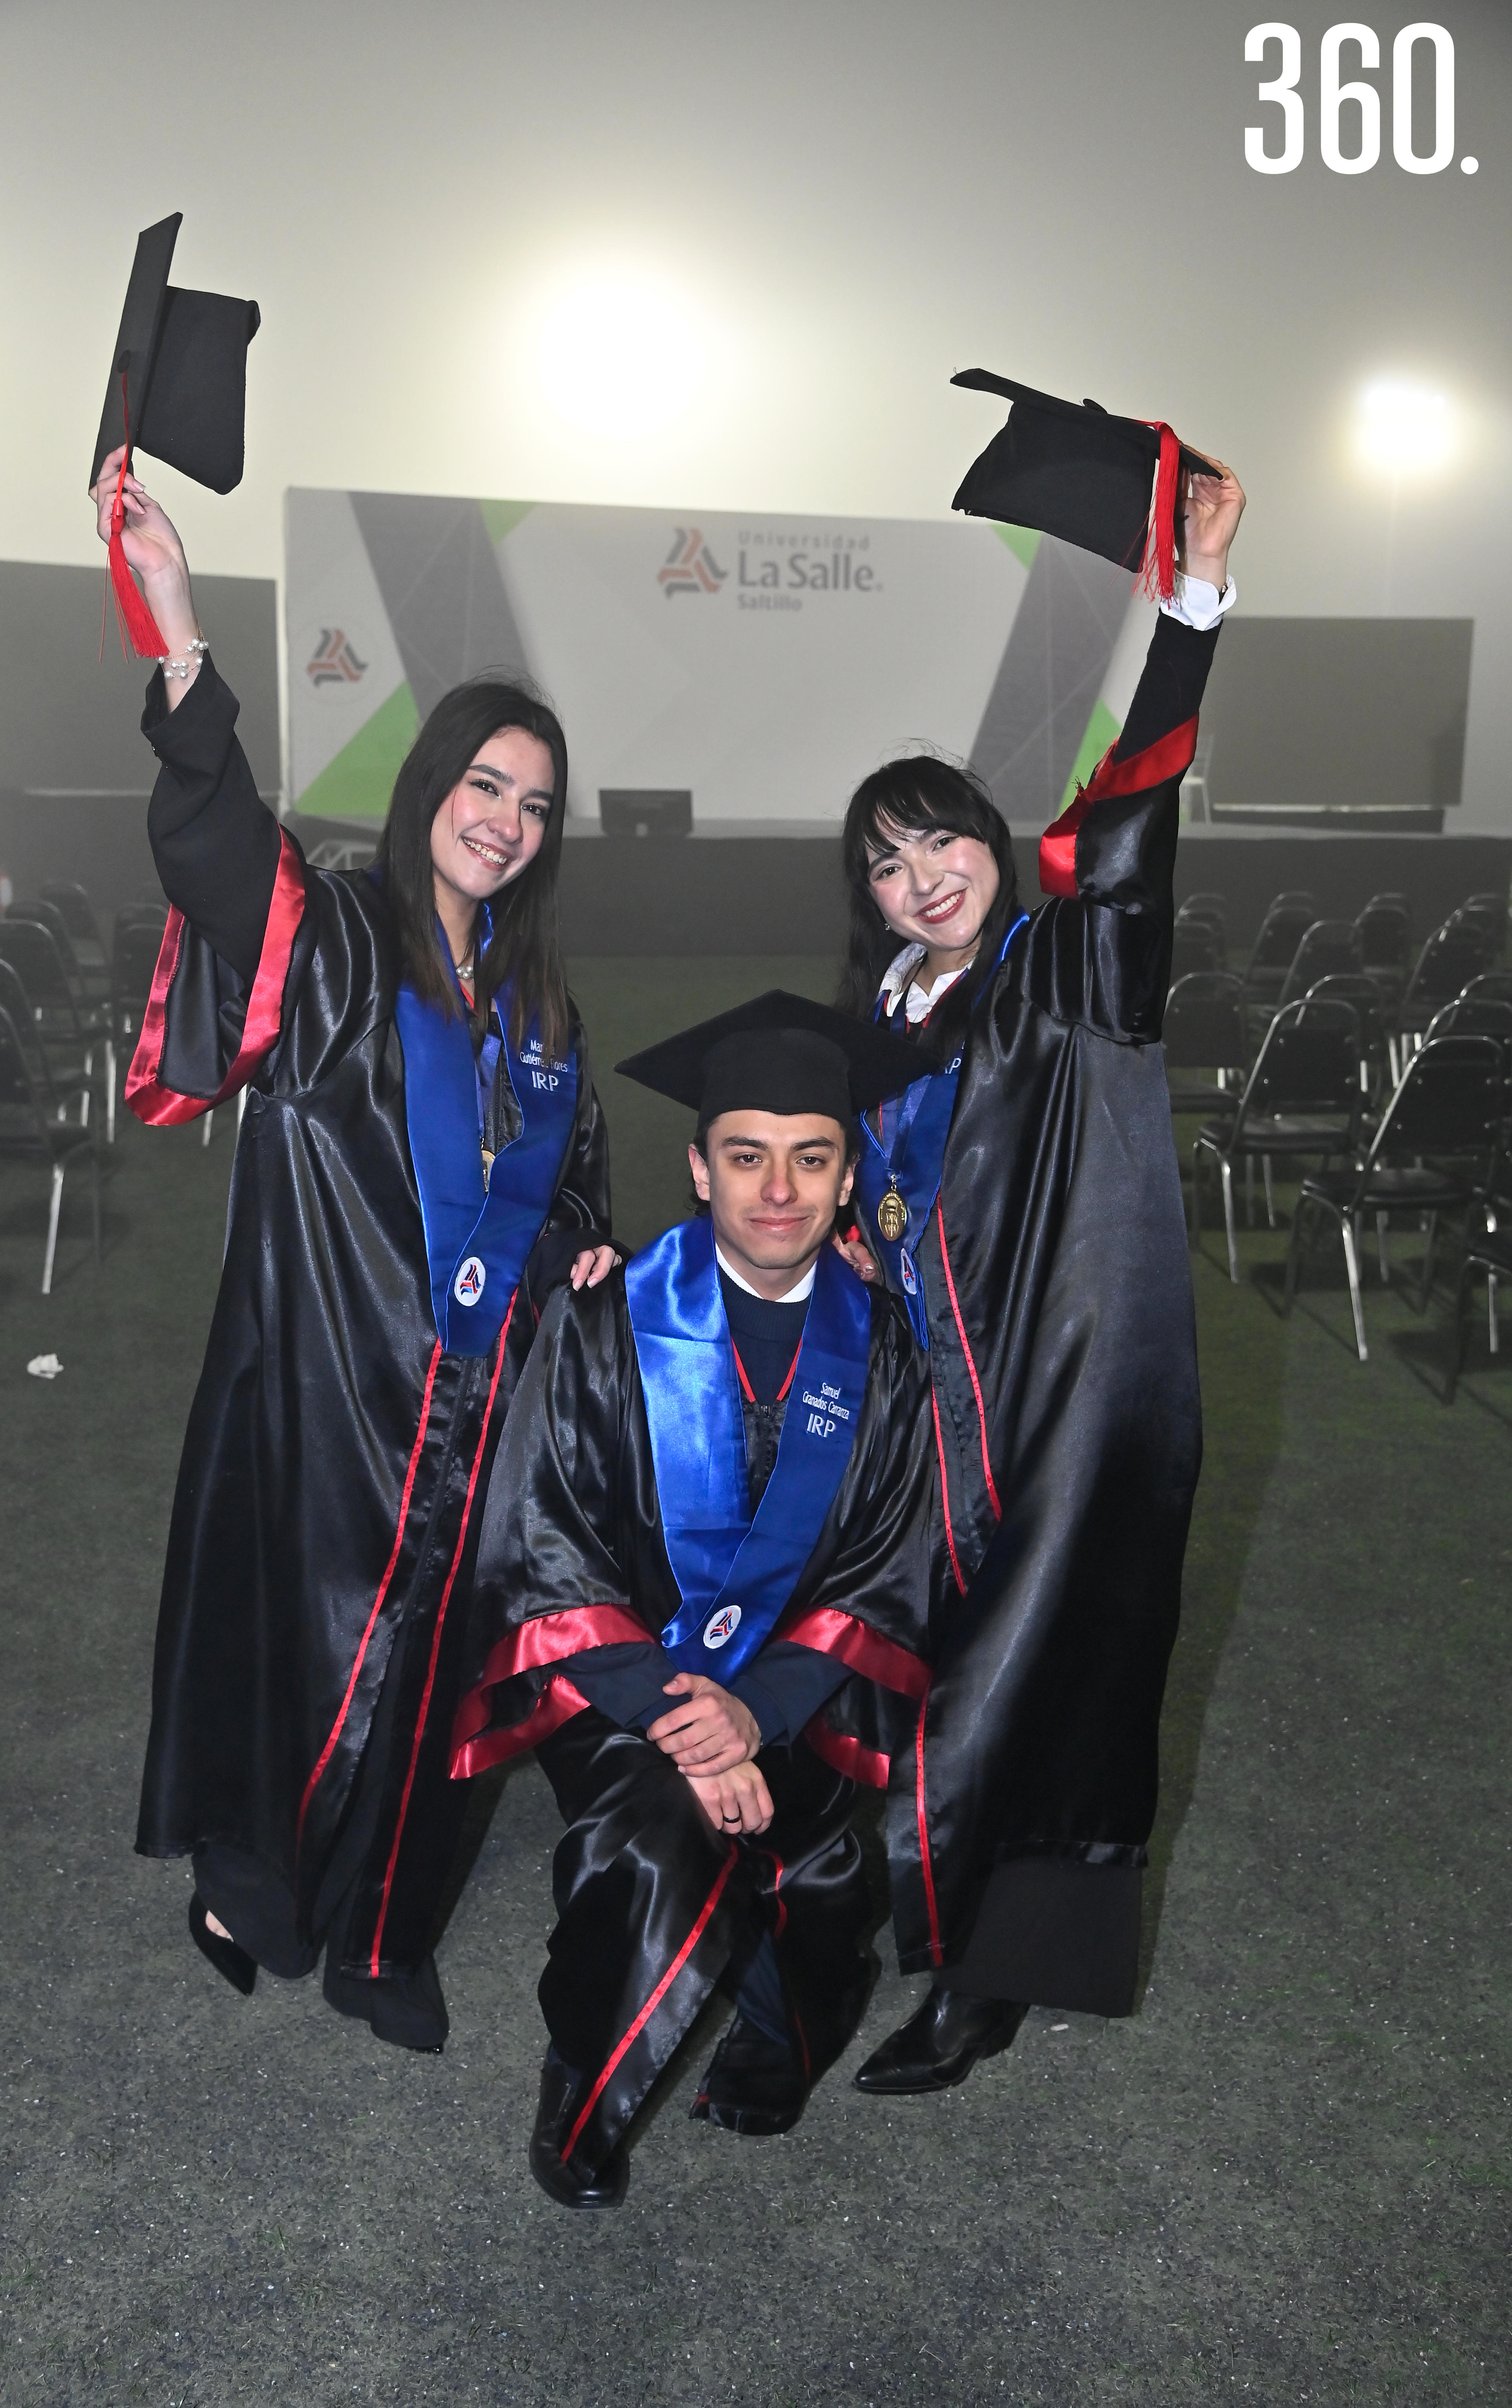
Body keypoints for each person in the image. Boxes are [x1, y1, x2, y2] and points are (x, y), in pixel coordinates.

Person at [90, 447, 618, 2052]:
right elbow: (211, 854)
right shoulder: (333, 939)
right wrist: (178, 629)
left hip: (477, 1411)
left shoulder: (542, 1009)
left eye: (535, 807)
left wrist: (582, 1253)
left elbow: (579, 1189)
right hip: (329, 1386)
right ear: (431, 786)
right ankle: (252, 1879)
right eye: (486, 788)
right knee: (299, 1637)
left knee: (446, 1674)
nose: (507, 824)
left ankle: (390, 1930)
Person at [834, 435, 1247, 2092]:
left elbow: (1132, 819)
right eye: (885, 861)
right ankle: (903, 1902)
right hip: (919, 1403)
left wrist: (1189, 603)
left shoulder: (1066, 971)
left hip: (1051, 1399)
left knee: (1033, 1676)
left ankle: (987, 1974)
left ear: (995, 845)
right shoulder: (876, 1020)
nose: (919, 876)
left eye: (939, 841)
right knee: (921, 1659)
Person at [452, 995, 933, 2205]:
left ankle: (774, 2039)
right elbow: (543, 1543)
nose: (779, 1189)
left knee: (821, 1870)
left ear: (847, 1180)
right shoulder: (606, 1319)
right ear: (699, 1168)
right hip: (619, 1689)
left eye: (811, 1159)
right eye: (747, 1155)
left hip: (793, 1692)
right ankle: (581, 2083)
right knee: (654, 1838)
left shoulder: (883, 1346)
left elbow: (889, 1564)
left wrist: (757, 1711)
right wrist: (684, 1721)